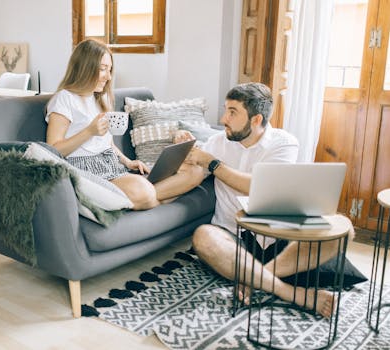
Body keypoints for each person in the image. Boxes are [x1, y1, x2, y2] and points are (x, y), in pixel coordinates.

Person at [179, 82, 354, 318]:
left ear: (256, 120)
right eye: (225, 109)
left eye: (232, 112)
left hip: (276, 237)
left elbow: (256, 186)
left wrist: (212, 163)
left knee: (344, 229)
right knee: (203, 236)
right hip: (233, 235)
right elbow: (190, 167)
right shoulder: (216, 143)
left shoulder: (284, 143)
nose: (223, 119)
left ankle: (254, 278)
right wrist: (181, 145)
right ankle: (290, 292)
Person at [45, 39, 204, 210]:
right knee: (144, 191)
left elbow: (107, 143)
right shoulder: (65, 99)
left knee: (195, 171)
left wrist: (128, 162)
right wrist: (89, 131)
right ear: (85, 67)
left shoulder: (99, 98)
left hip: (112, 165)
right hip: (87, 172)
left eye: (110, 69)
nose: (108, 76)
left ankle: (146, 199)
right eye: (103, 69)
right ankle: (151, 196)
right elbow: (53, 150)